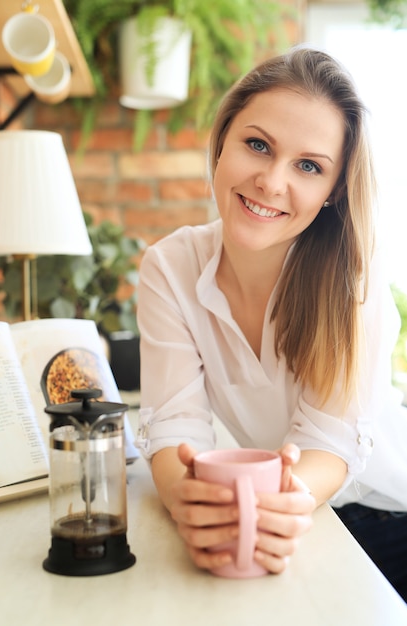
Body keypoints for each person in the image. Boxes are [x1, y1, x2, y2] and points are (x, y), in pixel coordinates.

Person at [135, 46, 407, 600]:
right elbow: (174, 427)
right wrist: (186, 498)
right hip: (279, 509)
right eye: (257, 145)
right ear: (222, 140)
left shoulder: (352, 276)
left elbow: (327, 444)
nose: (271, 181)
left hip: (385, 516)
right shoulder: (169, 267)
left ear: (332, 192)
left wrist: (264, 508)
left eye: (309, 166)